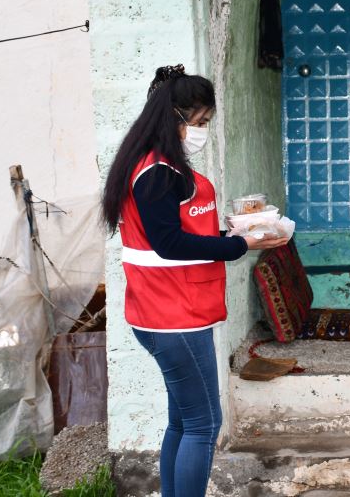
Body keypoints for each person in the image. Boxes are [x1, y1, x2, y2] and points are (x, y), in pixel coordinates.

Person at [101, 65, 288, 497]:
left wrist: (237, 237)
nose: (203, 131)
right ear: (176, 118)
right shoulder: (158, 171)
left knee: (184, 422)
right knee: (205, 425)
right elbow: (169, 243)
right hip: (174, 316)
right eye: (200, 122)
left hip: (162, 312)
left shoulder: (152, 163)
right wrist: (239, 246)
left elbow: (178, 234)